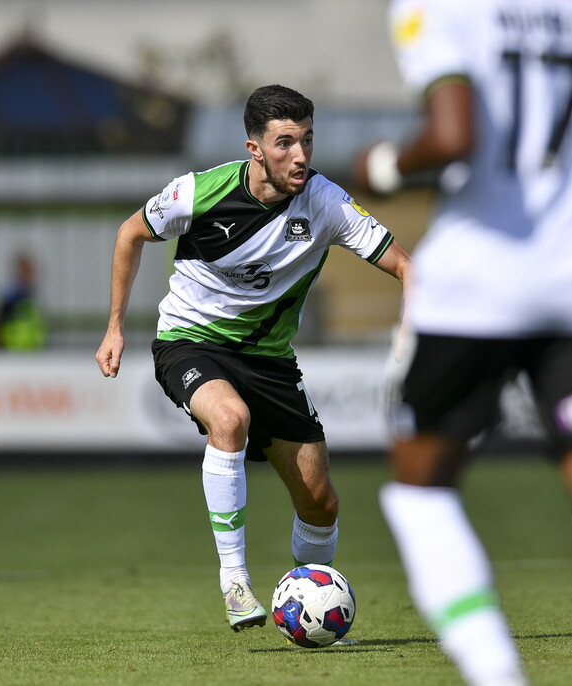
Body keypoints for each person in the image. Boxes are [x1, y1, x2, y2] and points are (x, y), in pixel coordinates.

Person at [354, 2, 572, 685]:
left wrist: (385, 165)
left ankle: (496, 673)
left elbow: (452, 135)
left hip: (472, 284)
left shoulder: (437, 7)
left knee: (421, 495)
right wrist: (563, 168)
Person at [95, 84, 410, 632]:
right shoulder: (199, 192)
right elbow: (130, 233)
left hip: (270, 360)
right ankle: (234, 581)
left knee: (321, 503)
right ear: (255, 149)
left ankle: (309, 608)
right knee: (230, 419)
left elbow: (407, 267)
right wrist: (115, 327)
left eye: (307, 140)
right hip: (190, 341)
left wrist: (412, 339)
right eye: (285, 143)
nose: (300, 155)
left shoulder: (327, 203)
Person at [0, 253, 46, 350]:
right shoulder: (13, 293)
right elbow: (1, 316)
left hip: (30, 347)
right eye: (26, 269)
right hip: (12, 346)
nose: (30, 272)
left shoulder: (31, 292)